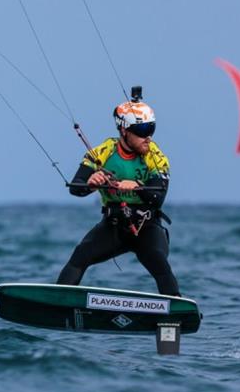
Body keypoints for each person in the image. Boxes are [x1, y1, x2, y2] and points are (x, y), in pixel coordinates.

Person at [56, 88, 180, 296]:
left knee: (159, 262)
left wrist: (137, 186)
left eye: (151, 129)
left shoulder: (155, 155)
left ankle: (176, 309)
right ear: (124, 131)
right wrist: (92, 183)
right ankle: (56, 302)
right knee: (80, 255)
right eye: (141, 131)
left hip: (146, 226)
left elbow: (158, 197)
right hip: (113, 226)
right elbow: (76, 187)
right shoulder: (103, 152)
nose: (147, 137)